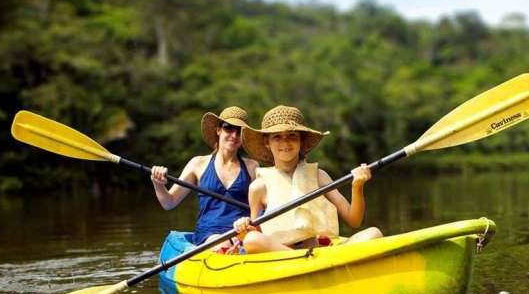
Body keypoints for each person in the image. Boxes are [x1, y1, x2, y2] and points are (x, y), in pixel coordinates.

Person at [232, 105, 382, 253]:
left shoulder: (319, 176)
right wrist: (245, 228)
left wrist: (357, 186)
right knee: (252, 239)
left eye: (292, 136)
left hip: (316, 252)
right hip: (282, 256)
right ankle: (301, 259)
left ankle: (312, 260)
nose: (285, 142)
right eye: (277, 137)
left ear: (301, 141)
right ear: (267, 143)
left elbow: (354, 220)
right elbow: (257, 232)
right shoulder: (258, 187)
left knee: (374, 233)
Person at [150, 106, 259, 243]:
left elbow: (261, 208)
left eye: (239, 131)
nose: (234, 135)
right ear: (218, 130)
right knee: (222, 242)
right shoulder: (198, 164)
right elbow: (169, 203)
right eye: (228, 128)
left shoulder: (252, 167)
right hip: (209, 234)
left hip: (242, 232)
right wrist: (158, 184)